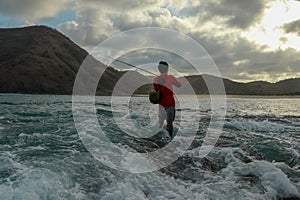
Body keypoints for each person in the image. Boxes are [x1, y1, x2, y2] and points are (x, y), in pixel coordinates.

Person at [153, 61, 182, 137]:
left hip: (161, 104)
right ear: (167, 69)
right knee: (169, 123)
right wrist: (178, 81)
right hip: (170, 103)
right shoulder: (171, 77)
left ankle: (158, 137)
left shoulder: (155, 79)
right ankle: (169, 139)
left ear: (159, 69)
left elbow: (156, 90)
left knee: (160, 122)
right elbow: (179, 85)